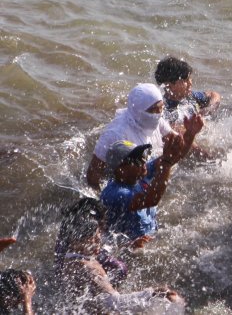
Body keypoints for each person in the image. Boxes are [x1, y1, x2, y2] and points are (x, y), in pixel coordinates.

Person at [55, 197, 184, 312]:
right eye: (94, 238)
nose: (98, 241)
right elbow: (115, 303)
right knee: (171, 297)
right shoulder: (88, 267)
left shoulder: (70, 258)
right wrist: (152, 294)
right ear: (75, 240)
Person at [100, 129, 197, 244]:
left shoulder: (138, 175)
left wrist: (190, 134)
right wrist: (166, 164)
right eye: (136, 161)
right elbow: (151, 199)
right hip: (128, 250)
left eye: (143, 157)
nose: (143, 162)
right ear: (120, 170)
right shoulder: (115, 193)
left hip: (150, 238)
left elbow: (173, 157)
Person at [86, 82, 179, 189]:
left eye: (161, 108)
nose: (158, 113)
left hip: (143, 171)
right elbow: (93, 176)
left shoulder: (157, 118)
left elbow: (176, 143)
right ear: (139, 110)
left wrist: (190, 134)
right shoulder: (115, 134)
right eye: (153, 110)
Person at [154, 55, 221, 125]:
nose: (190, 83)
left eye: (190, 78)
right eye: (185, 80)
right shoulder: (164, 110)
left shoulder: (190, 96)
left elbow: (214, 95)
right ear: (169, 85)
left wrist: (208, 109)